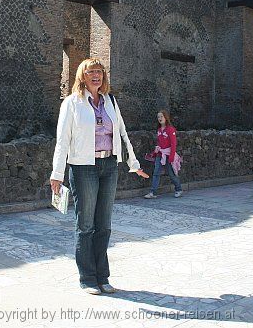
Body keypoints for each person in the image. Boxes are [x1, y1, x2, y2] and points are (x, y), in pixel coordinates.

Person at [49, 58, 149, 295]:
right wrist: (57, 173)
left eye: (100, 72)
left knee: (104, 225)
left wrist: (133, 163)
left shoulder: (110, 101)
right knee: (86, 225)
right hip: (83, 167)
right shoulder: (72, 103)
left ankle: (103, 277)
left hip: (109, 165)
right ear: (82, 76)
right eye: (91, 72)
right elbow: (62, 141)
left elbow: (122, 134)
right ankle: (88, 278)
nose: (96, 76)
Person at [144, 110, 183, 199]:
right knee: (156, 173)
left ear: (166, 117)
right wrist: (156, 151)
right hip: (160, 154)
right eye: (158, 117)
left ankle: (178, 189)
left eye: (161, 116)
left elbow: (173, 144)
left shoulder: (170, 129)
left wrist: (172, 157)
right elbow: (159, 142)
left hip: (168, 154)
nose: (160, 118)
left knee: (171, 173)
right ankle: (153, 192)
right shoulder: (158, 130)